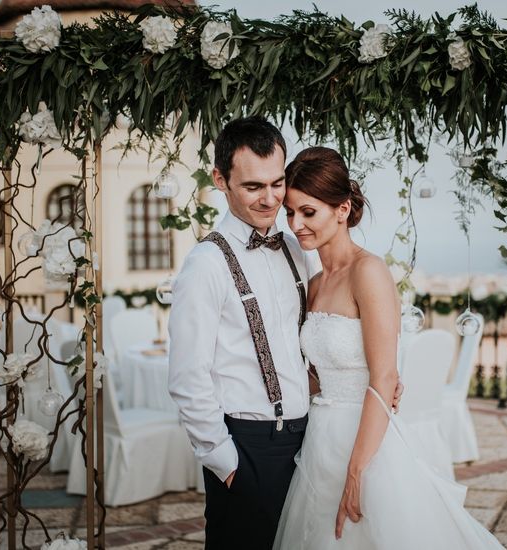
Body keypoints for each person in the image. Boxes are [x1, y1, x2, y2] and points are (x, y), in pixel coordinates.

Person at [168, 117, 401, 550]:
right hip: (248, 447)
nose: (271, 199)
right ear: (221, 179)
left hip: (309, 441)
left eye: (277, 184)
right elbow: (186, 377)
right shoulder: (205, 264)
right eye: (254, 186)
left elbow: (307, 341)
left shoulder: (297, 249)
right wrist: (224, 460)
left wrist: (366, 380)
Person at [273, 146, 505, 550]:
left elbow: (383, 375)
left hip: (366, 443)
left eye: (308, 212)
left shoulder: (370, 272)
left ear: (342, 209)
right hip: (320, 441)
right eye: (290, 212)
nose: (296, 224)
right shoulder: (314, 284)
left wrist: (357, 471)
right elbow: (317, 372)